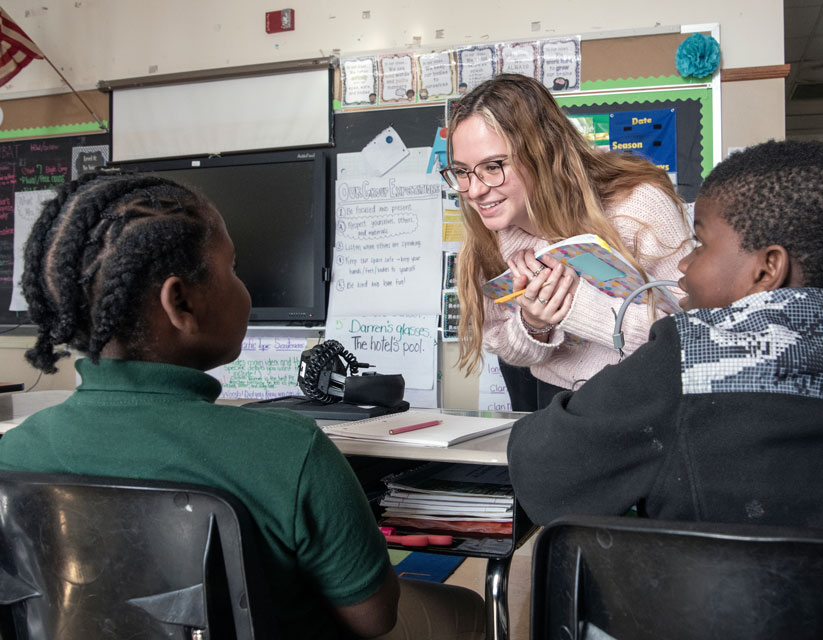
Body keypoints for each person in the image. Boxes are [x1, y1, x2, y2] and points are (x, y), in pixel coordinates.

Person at [0, 172, 485, 639]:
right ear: (180, 304)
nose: (243, 286)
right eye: (232, 268)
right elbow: (374, 616)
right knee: (466, 608)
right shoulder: (288, 450)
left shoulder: (12, 456)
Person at [507, 139, 823, 536]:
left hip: (716, 617)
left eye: (700, 245)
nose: (684, 267)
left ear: (767, 268)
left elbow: (544, 477)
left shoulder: (692, 350)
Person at [444, 73, 690, 410]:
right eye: (461, 171)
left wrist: (577, 306)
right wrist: (534, 323)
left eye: (493, 166)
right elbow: (508, 349)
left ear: (542, 152)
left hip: (644, 400)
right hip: (555, 402)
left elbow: (691, 333)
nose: (474, 190)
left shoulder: (638, 206)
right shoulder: (491, 232)